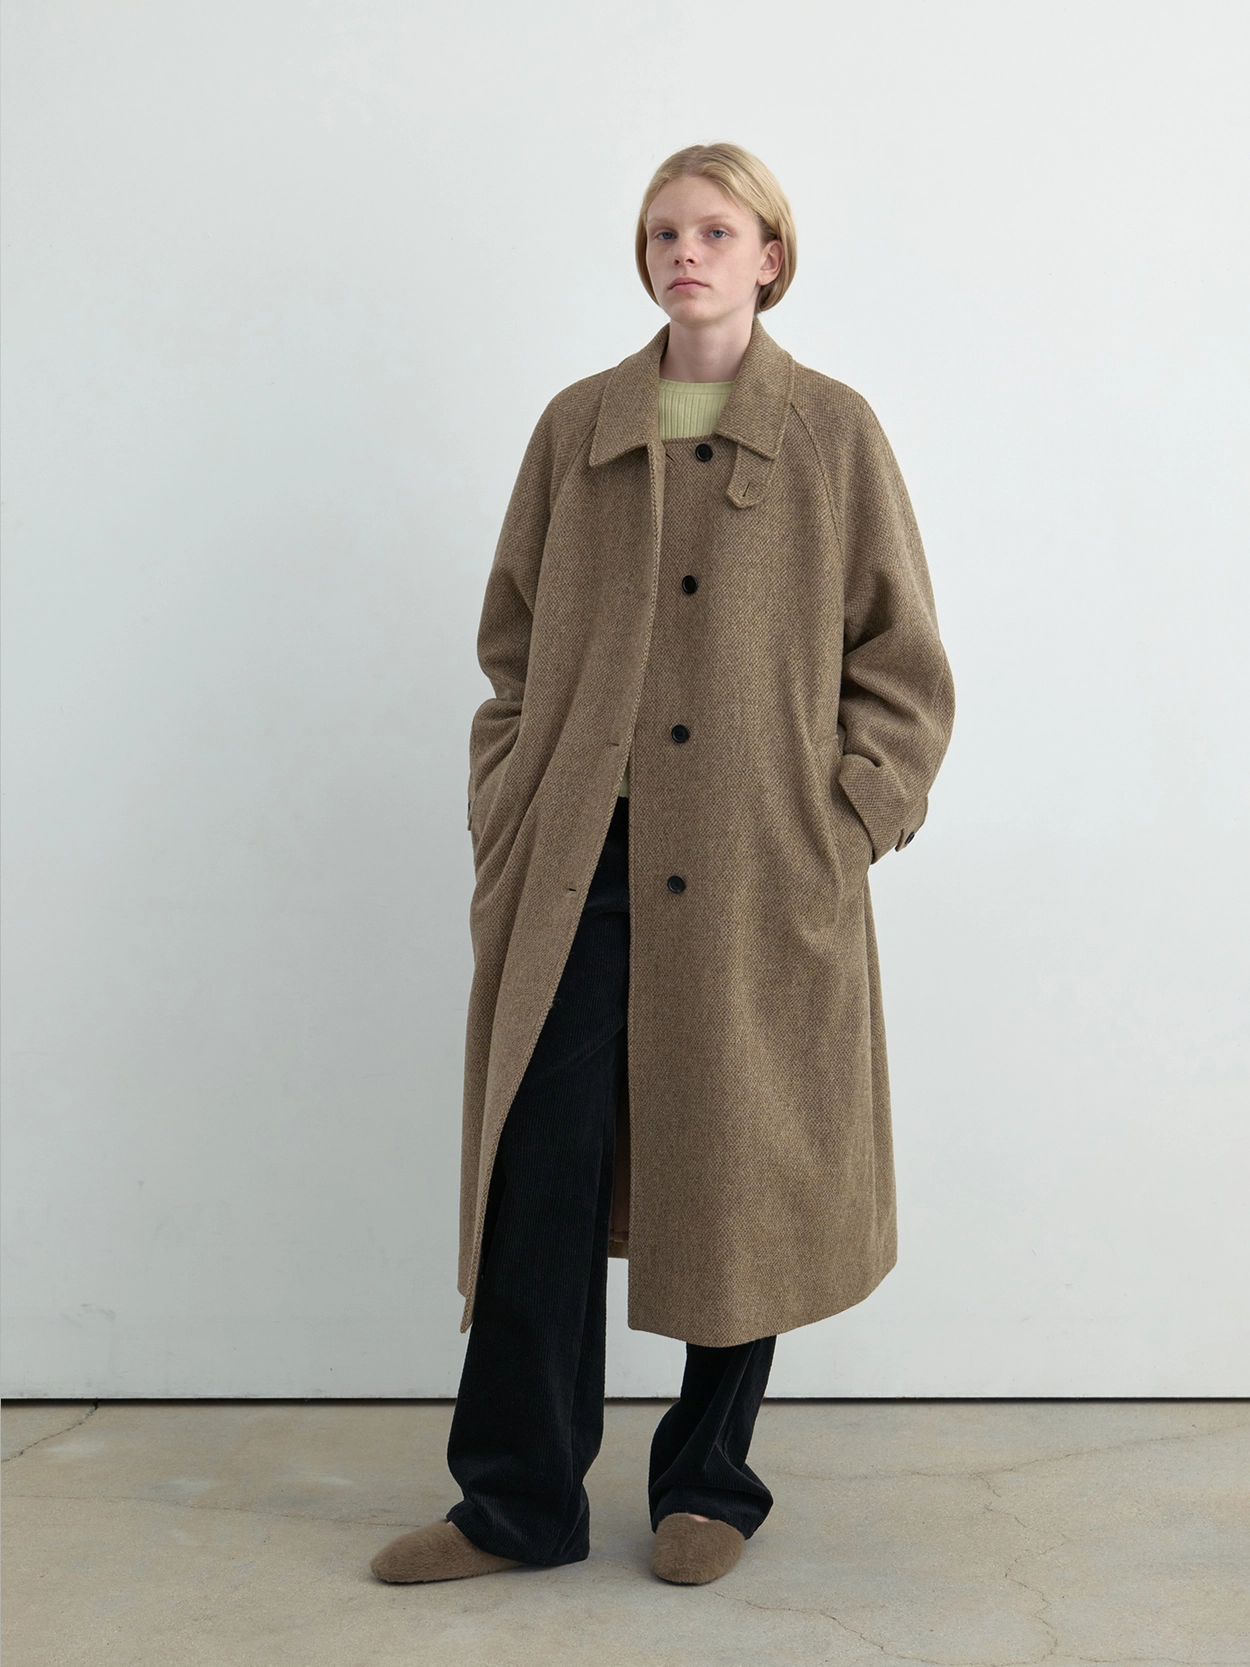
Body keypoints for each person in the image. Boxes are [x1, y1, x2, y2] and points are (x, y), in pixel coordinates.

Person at [371, 142, 955, 1589]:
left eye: (714, 231)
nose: (683, 253)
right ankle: (515, 1503)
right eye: (660, 233)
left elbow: (900, 665)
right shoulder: (577, 426)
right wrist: (506, 799)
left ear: (770, 256)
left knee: (736, 1169)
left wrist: (845, 821)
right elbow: (510, 643)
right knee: (538, 1171)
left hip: (759, 869)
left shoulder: (832, 431)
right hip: (579, 859)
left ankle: (709, 1483)